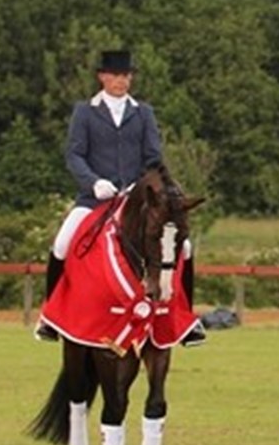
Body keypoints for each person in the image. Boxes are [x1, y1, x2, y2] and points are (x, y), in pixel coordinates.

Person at [36, 50, 206, 346]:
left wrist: (140, 187)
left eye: (126, 76)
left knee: (185, 247)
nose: (121, 81)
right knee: (62, 244)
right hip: (95, 198)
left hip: (136, 200)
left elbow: (153, 158)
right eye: (115, 75)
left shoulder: (143, 112)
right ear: (102, 77)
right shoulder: (85, 112)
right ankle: (50, 317)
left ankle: (186, 321)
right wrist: (94, 182)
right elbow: (74, 155)